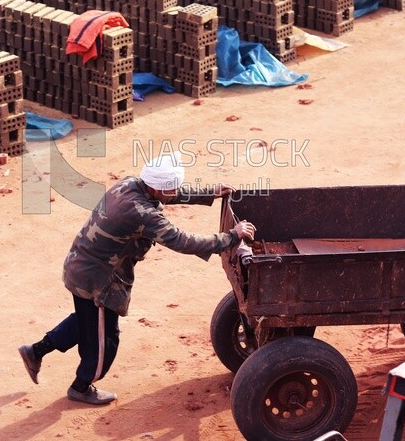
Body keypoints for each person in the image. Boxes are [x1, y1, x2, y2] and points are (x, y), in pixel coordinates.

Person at [18, 152, 257, 405]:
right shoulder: (142, 213)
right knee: (105, 340)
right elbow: (181, 240)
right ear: (157, 187)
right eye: (171, 188)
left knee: (87, 323)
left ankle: (35, 351)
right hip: (97, 280)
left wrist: (210, 191)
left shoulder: (131, 184)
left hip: (82, 267)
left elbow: (167, 193)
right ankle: (81, 386)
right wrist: (231, 236)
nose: (173, 191)